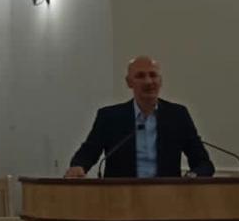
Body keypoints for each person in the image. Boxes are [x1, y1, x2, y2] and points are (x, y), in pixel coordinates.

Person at [65, 56, 215, 178]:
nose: (148, 81)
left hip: (167, 196)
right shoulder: (110, 117)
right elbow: (88, 151)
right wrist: (78, 166)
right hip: (121, 197)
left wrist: (193, 176)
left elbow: (203, 163)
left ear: (160, 81)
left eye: (153, 75)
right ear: (129, 82)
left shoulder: (177, 115)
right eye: (140, 76)